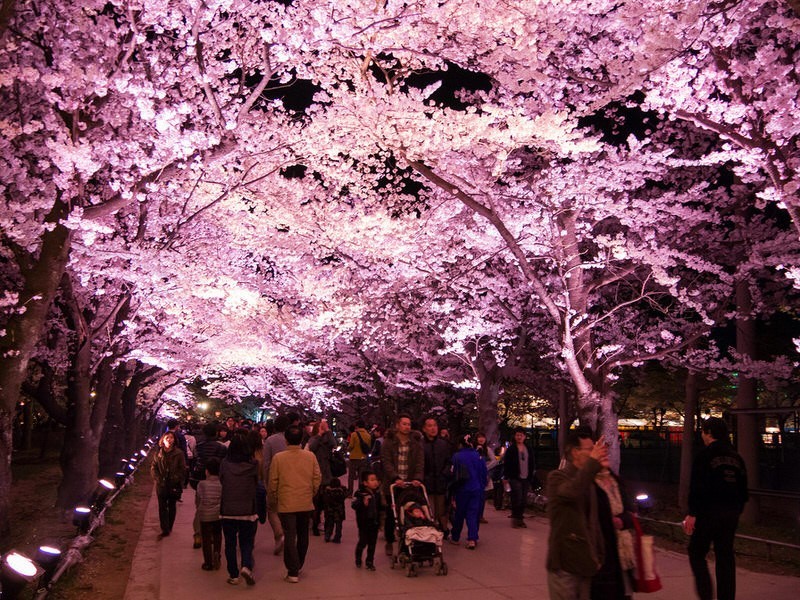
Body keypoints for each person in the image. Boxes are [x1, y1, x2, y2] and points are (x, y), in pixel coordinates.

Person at [683, 417, 748, 600]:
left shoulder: (705, 456)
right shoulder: (736, 457)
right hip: (731, 513)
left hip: (708, 513)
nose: (702, 435)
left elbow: (697, 487)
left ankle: (706, 595)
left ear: (709, 432)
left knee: (696, 552)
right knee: (725, 555)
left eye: (703, 431)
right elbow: (743, 490)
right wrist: (737, 510)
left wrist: (692, 513)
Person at [546, 429, 608, 600]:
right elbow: (571, 491)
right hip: (564, 565)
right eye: (590, 449)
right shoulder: (557, 477)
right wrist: (593, 465)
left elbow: (593, 522)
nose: (594, 454)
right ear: (575, 452)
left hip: (586, 561)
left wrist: (599, 553)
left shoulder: (588, 481)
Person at [268, 423, 322, 583]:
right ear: (301, 439)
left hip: (286, 502)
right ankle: (298, 565)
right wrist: (311, 492)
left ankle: (293, 570)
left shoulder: (279, 458)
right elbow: (317, 477)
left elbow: (273, 482)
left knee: (290, 534)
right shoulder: (310, 456)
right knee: (303, 533)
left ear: (286, 440)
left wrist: (274, 498)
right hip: (305, 501)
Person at [592, 452, 636, 599]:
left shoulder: (616, 481)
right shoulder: (591, 484)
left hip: (623, 547)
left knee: (624, 592)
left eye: (605, 455)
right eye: (600, 454)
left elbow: (630, 512)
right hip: (604, 547)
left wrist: (622, 521)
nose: (605, 457)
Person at [380, 413, 424, 557]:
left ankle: (409, 539)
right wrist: (395, 477)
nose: (407, 427)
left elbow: (419, 462)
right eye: (404, 424)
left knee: (410, 511)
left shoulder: (415, 442)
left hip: (410, 483)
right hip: (393, 483)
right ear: (398, 425)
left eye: (409, 424)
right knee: (391, 514)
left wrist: (417, 478)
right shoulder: (389, 442)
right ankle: (389, 540)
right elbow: (386, 462)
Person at [219, 430, 259, 586]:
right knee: (246, 542)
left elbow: (222, 481)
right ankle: (246, 566)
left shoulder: (224, 464)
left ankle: (233, 575)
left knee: (230, 543)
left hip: (228, 508)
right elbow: (256, 483)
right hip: (248, 509)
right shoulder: (254, 464)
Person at [448, 436, 488, 549]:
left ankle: (455, 537)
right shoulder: (478, 456)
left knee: (459, 514)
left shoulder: (457, 456)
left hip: (462, 489)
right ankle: (472, 539)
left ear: (461, 444)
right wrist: (481, 486)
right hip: (476, 489)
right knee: (472, 514)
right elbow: (483, 473)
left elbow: (453, 474)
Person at [151, 431, 187, 538]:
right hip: (161, 484)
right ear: (163, 439)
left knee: (171, 505)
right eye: (167, 437)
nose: (169, 440)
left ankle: (169, 526)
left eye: (171, 438)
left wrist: (176, 478)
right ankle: (164, 528)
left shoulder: (179, 453)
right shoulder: (158, 453)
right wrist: (158, 478)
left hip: (173, 484)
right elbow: (154, 467)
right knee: (162, 507)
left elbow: (182, 469)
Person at [421, 416, 452, 536]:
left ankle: (443, 528)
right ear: (424, 429)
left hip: (440, 481)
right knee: (429, 509)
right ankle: (430, 530)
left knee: (441, 509)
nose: (433, 428)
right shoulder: (421, 444)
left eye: (434, 425)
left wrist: (445, 473)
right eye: (429, 426)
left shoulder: (443, 444)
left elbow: (449, 461)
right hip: (426, 482)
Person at [307, 418, 336, 535]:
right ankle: (315, 523)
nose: (322, 429)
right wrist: (319, 435)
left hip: (327, 473)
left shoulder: (327, 439)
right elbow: (312, 448)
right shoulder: (313, 439)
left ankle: (325, 524)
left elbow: (333, 444)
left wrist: (328, 431)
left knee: (327, 502)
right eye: (320, 427)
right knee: (316, 502)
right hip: (316, 473)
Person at [503, 426, 536, 528]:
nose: (519, 437)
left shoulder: (528, 448)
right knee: (517, 497)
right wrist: (506, 476)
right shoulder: (511, 449)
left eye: (521, 435)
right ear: (515, 436)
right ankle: (515, 519)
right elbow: (507, 463)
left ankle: (520, 518)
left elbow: (532, 462)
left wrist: (532, 475)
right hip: (515, 477)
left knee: (523, 499)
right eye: (517, 435)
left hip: (526, 477)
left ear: (525, 436)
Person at [352, 469, 383, 571]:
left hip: (374, 523)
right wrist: (362, 503)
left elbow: (380, 508)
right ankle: (358, 558)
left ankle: (370, 562)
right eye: (372, 480)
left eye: (376, 480)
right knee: (363, 542)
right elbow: (354, 505)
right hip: (363, 523)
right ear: (365, 483)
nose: (375, 482)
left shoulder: (378, 494)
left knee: (372, 544)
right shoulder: (359, 493)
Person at [195, 457, 223, 571]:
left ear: (207, 471)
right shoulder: (222, 484)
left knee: (206, 538)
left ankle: (208, 562)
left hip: (205, 515)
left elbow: (198, 500)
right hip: (218, 514)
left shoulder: (202, 484)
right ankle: (217, 552)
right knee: (217, 535)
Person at [347, 419, 372, 494]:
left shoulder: (354, 434)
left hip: (354, 458)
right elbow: (369, 447)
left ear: (357, 426)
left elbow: (351, 446)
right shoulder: (368, 435)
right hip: (363, 458)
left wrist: (348, 449)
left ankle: (350, 492)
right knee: (361, 477)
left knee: (351, 476)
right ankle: (360, 492)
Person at [322, 477, 347, 543]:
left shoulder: (328, 492)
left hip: (330, 512)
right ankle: (337, 538)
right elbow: (346, 493)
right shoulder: (342, 491)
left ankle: (327, 536)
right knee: (339, 526)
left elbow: (325, 500)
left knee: (330, 525)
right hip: (340, 512)